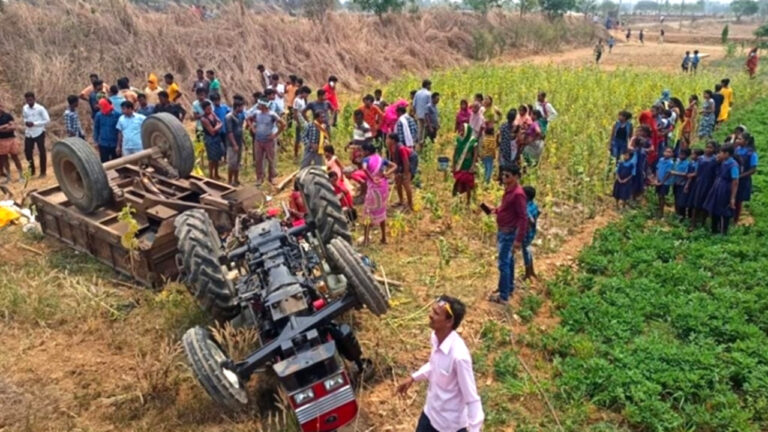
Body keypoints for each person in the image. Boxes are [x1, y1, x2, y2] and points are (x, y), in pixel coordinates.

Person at [396, 295, 484, 432]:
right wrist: (413, 377)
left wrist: (474, 429)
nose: (430, 315)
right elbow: (433, 365)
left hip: (449, 427)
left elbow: (472, 399)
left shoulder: (459, 357)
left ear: (449, 322)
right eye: (432, 311)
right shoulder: (436, 337)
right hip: (430, 415)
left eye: (436, 313)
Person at [487, 164, 528, 305]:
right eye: (503, 175)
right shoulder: (509, 191)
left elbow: (523, 217)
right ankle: (507, 287)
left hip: (508, 233)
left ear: (516, 177)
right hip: (503, 231)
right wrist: (496, 210)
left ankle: (503, 296)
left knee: (503, 263)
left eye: (507, 176)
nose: (504, 178)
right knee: (508, 261)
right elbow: (507, 208)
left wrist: (518, 240)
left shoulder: (518, 194)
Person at [361, 142, 396, 245]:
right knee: (382, 211)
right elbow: (394, 166)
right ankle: (384, 238)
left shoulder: (366, 160)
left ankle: (366, 239)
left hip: (374, 189)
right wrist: (387, 174)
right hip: (383, 188)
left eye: (363, 151)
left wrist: (372, 179)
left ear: (367, 151)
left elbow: (364, 168)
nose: (362, 153)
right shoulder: (381, 159)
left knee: (367, 213)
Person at [703, 145, 739, 234]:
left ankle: (723, 232)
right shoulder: (723, 161)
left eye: (720, 153)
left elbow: (735, 181)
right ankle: (714, 230)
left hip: (725, 188)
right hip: (718, 186)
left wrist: (732, 198)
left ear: (726, 154)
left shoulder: (733, 165)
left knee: (723, 210)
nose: (718, 155)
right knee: (714, 207)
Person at [248, 99, 285, 184]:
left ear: (264, 106)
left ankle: (272, 177)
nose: (258, 106)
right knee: (258, 160)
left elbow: (283, 124)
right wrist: (252, 128)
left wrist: (275, 135)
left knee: (271, 159)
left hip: (269, 141)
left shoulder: (272, 114)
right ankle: (259, 178)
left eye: (260, 104)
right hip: (258, 140)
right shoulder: (256, 113)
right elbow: (248, 119)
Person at [689, 141, 718, 230]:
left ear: (714, 149)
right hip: (699, 182)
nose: (708, 149)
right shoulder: (700, 158)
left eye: (710, 148)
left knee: (705, 204)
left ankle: (702, 223)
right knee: (696, 204)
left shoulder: (715, 160)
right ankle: (693, 224)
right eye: (707, 147)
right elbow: (697, 171)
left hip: (709, 183)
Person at [21, 92, 49, 177]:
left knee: (41, 151)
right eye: (27, 100)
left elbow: (47, 120)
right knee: (27, 151)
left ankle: (43, 172)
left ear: (34, 99)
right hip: (29, 132)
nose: (29, 102)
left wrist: (35, 123)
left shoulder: (40, 108)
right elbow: (24, 117)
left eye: (30, 100)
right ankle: (32, 170)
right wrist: (26, 122)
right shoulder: (25, 108)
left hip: (39, 131)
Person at [387, 132, 417, 211]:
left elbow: (406, 162)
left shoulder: (401, 148)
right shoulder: (390, 147)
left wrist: (405, 174)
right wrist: (396, 173)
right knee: (398, 181)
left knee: (406, 183)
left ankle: (410, 204)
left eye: (388, 139)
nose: (386, 140)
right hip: (400, 162)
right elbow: (394, 160)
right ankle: (401, 201)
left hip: (410, 159)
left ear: (393, 140)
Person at [734, 133, 757, 223]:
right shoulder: (737, 149)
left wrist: (740, 176)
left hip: (743, 179)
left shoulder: (752, 153)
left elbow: (753, 170)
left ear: (746, 141)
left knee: (738, 200)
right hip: (734, 177)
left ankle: (736, 219)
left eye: (740, 139)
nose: (737, 140)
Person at [452, 125, 478, 206]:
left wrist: (473, 165)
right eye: (461, 129)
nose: (461, 131)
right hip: (459, 165)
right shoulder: (458, 140)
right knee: (459, 182)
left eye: (463, 130)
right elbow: (455, 153)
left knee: (468, 184)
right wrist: (453, 164)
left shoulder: (472, 141)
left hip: (468, 165)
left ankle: (468, 201)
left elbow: (475, 155)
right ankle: (459, 200)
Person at [199, 100, 224, 180]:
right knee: (211, 159)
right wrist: (218, 125)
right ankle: (211, 175)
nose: (210, 110)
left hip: (217, 138)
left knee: (217, 158)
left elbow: (220, 122)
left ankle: (216, 173)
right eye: (208, 109)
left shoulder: (212, 114)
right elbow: (212, 131)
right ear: (204, 109)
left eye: (210, 108)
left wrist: (217, 125)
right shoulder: (203, 119)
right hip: (210, 139)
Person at [0, 102, 24, 183]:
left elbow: (13, 127)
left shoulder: (8, 116)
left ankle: (21, 175)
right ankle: (8, 177)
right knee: (4, 159)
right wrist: (5, 126)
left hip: (11, 139)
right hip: (1, 140)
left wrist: (3, 129)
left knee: (15, 157)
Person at [93, 98, 120, 162]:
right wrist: (96, 141)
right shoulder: (98, 115)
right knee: (105, 163)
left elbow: (120, 130)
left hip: (114, 143)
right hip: (103, 143)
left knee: (117, 163)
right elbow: (96, 128)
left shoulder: (117, 115)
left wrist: (119, 145)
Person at [225, 99, 245, 186]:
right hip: (232, 144)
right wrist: (234, 144)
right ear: (237, 107)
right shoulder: (229, 117)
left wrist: (243, 141)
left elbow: (240, 130)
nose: (243, 108)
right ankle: (230, 181)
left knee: (237, 163)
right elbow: (230, 132)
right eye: (242, 107)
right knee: (232, 163)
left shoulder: (239, 116)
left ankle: (236, 179)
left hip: (239, 142)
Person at [522, 186, 540, 280]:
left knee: (526, 252)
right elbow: (538, 212)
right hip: (532, 232)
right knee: (528, 251)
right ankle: (531, 271)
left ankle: (528, 273)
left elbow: (530, 220)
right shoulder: (534, 204)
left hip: (526, 233)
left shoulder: (525, 207)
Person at [630, 125, 651, 201]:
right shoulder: (635, 139)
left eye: (640, 131)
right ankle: (632, 195)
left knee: (640, 178)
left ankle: (636, 195)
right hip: (635, 164)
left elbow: (651, 149)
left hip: (641, 165)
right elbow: (630, 147)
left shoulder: (645, 145)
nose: (639, 132)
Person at [670, 148, 692, 218]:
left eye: (682, 154)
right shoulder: (677, 162)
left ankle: (682, 215)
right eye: (680, 154)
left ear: (686, 156)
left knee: (681, 201)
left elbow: (686, 174)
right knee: (676, 198)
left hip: (682, 184)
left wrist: (675, 173)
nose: (680, 155)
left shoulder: (688, 164)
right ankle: (677, 213)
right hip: (675, 183)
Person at [654, 147, 675, 218]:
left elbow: (668, 174)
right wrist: (656, 179)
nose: (667, 153)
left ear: (672, 154)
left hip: (665, 183)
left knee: (662, 196)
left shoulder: (670, 163)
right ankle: (659, 209)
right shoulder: (661, 160)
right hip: (658, 181)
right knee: (659, 195)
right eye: (666, 151)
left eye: (669, 152)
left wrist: (662, 182)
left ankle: (661, 213)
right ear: (663, 152)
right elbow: (657, 169)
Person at [413, 79, 432, 148]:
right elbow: (430, 106)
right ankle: (423, 145)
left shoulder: (417, 93)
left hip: (418, 114)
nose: (430, 87)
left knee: (420, 130)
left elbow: (414, 105)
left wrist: (415, 114)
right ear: (427, 85)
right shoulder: (429, 94)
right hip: (426, 115)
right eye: (430, 85)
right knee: (425, 130)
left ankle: (419, 145)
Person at [293, 86, 310, 159]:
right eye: (306, 94)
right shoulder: (296, 100)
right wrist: (298, 123)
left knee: (305, 138)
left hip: (303, 121)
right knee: (298, 139)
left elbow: (304, 112)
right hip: (299, 121)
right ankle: (296, 155)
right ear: (303, 93)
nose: (307, 96)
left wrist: (307, 120)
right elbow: (295, 113)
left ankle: (305, 153)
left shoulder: (303, 99)